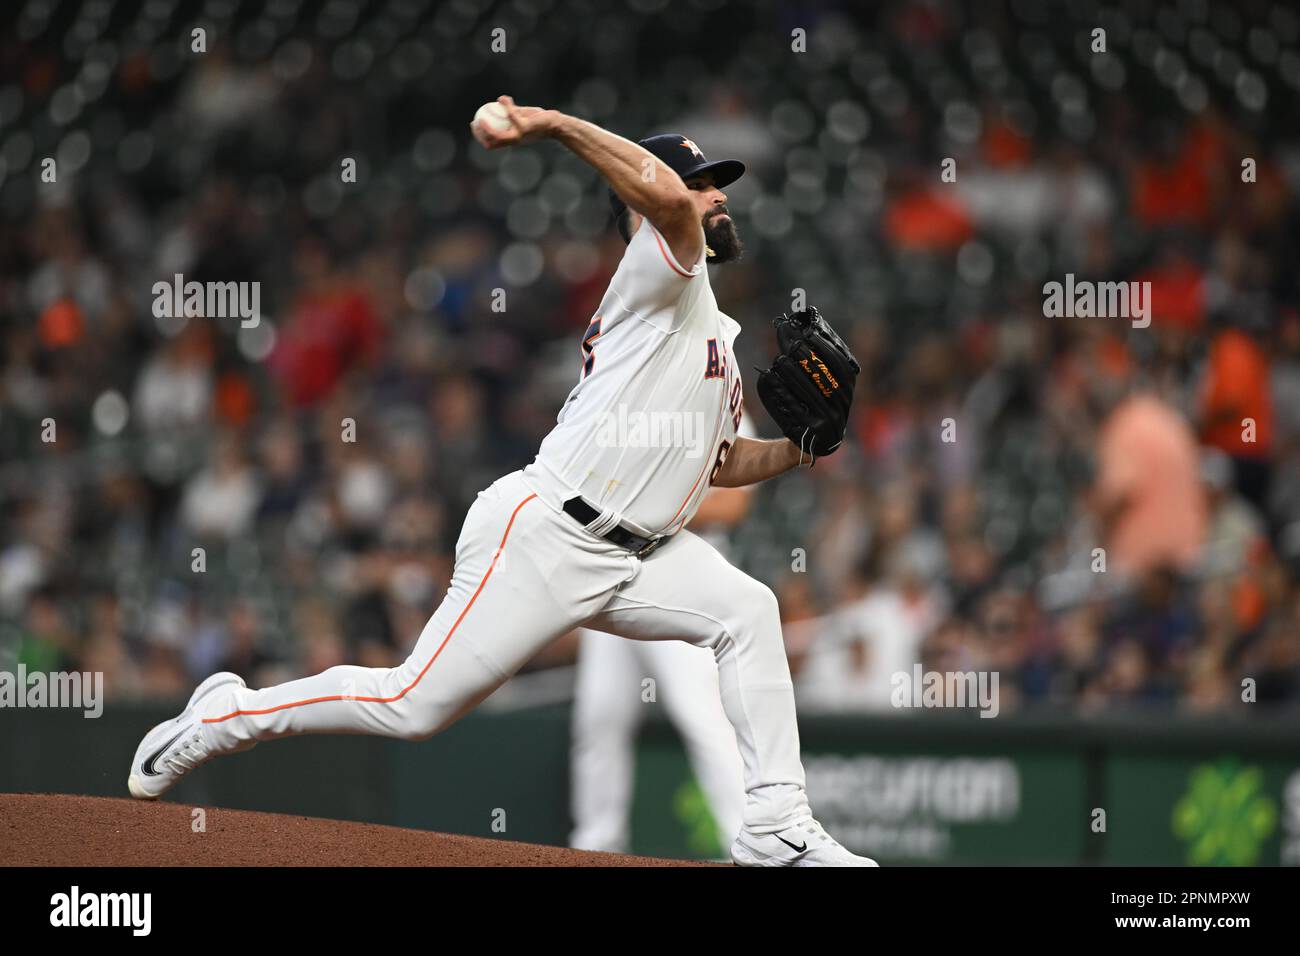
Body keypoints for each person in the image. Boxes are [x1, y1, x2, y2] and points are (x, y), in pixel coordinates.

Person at [126, 95, 877, 866]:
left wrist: (799, 450)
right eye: (700, 182)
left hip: (642, 555)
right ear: (649, 206)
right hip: (548, 533)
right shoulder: (660, 260)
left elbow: (719, 461)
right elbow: (657, 193)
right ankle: (228, 714)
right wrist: (550, 124)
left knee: (749, 609)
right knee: (411, 706)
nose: (717, 195)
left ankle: (774, 825)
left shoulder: (709, 328)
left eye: (718, 183)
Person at [569, 419, 755, 856]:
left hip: (683, 577)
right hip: (616, 575)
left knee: (703, 718)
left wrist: (654, 507)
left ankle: (743, 845)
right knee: (599, 718)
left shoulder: (723, 399)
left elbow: (734, 505)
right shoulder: (635, 400)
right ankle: (596, 847)